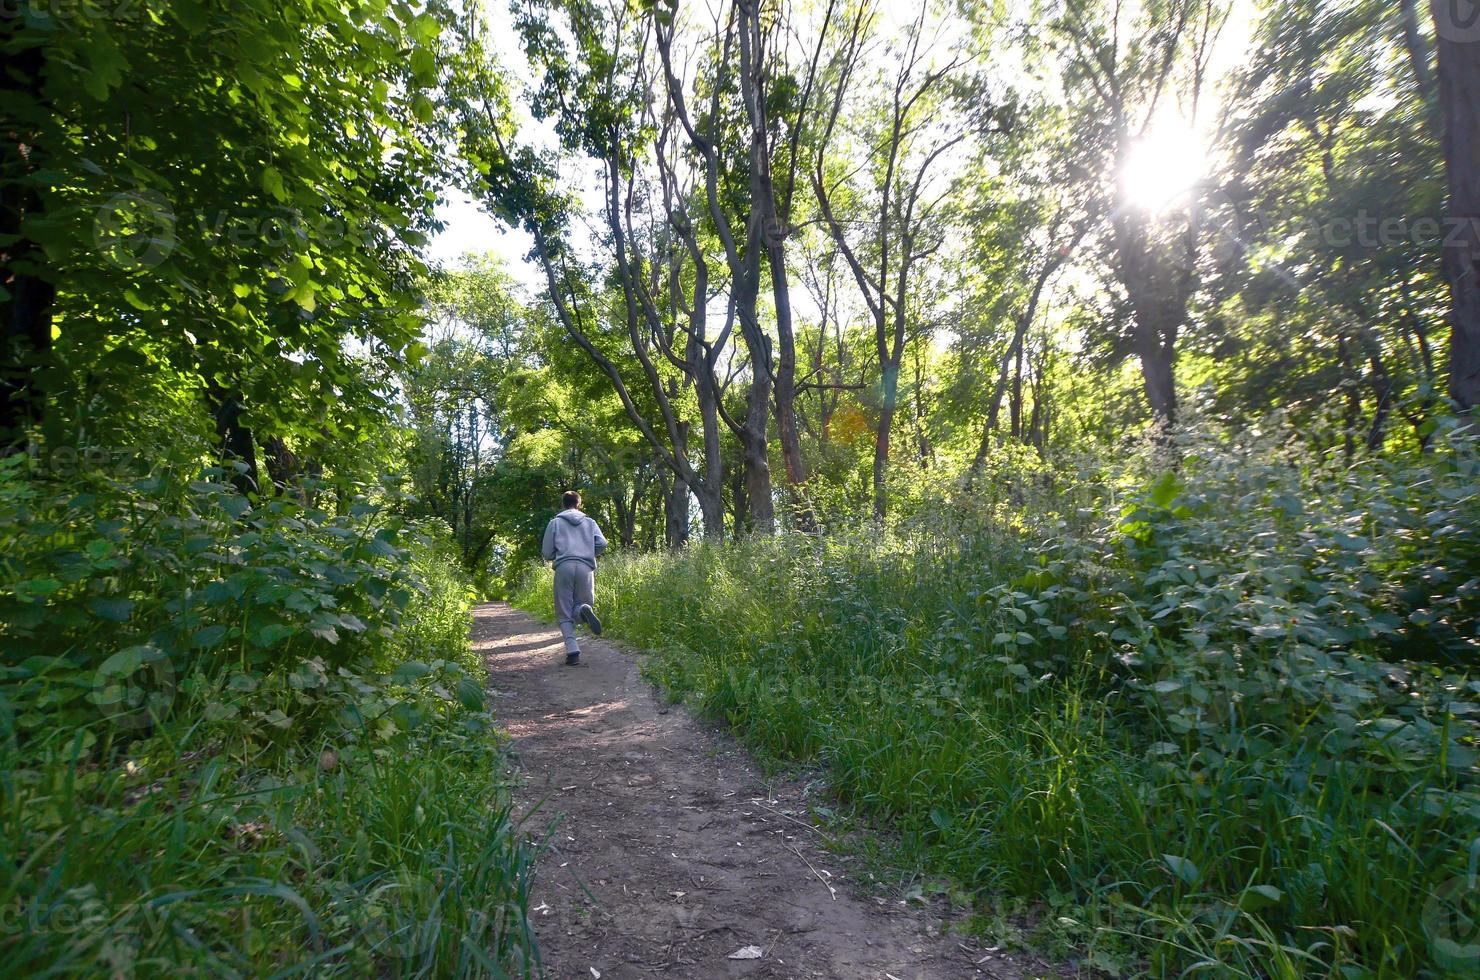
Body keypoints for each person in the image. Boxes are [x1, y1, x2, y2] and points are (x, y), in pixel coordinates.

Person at [541, 490, 607, 666]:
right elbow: (602, 543)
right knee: (579, 607)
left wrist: (558, 554)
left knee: (564, 612)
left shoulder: (555, 523)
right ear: (579, 504)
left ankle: (572, 652)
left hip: (564, 567)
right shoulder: (590, 522)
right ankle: (584, 609)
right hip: (585, 567)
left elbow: (547, 552)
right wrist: (589, 551)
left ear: (563, 504)